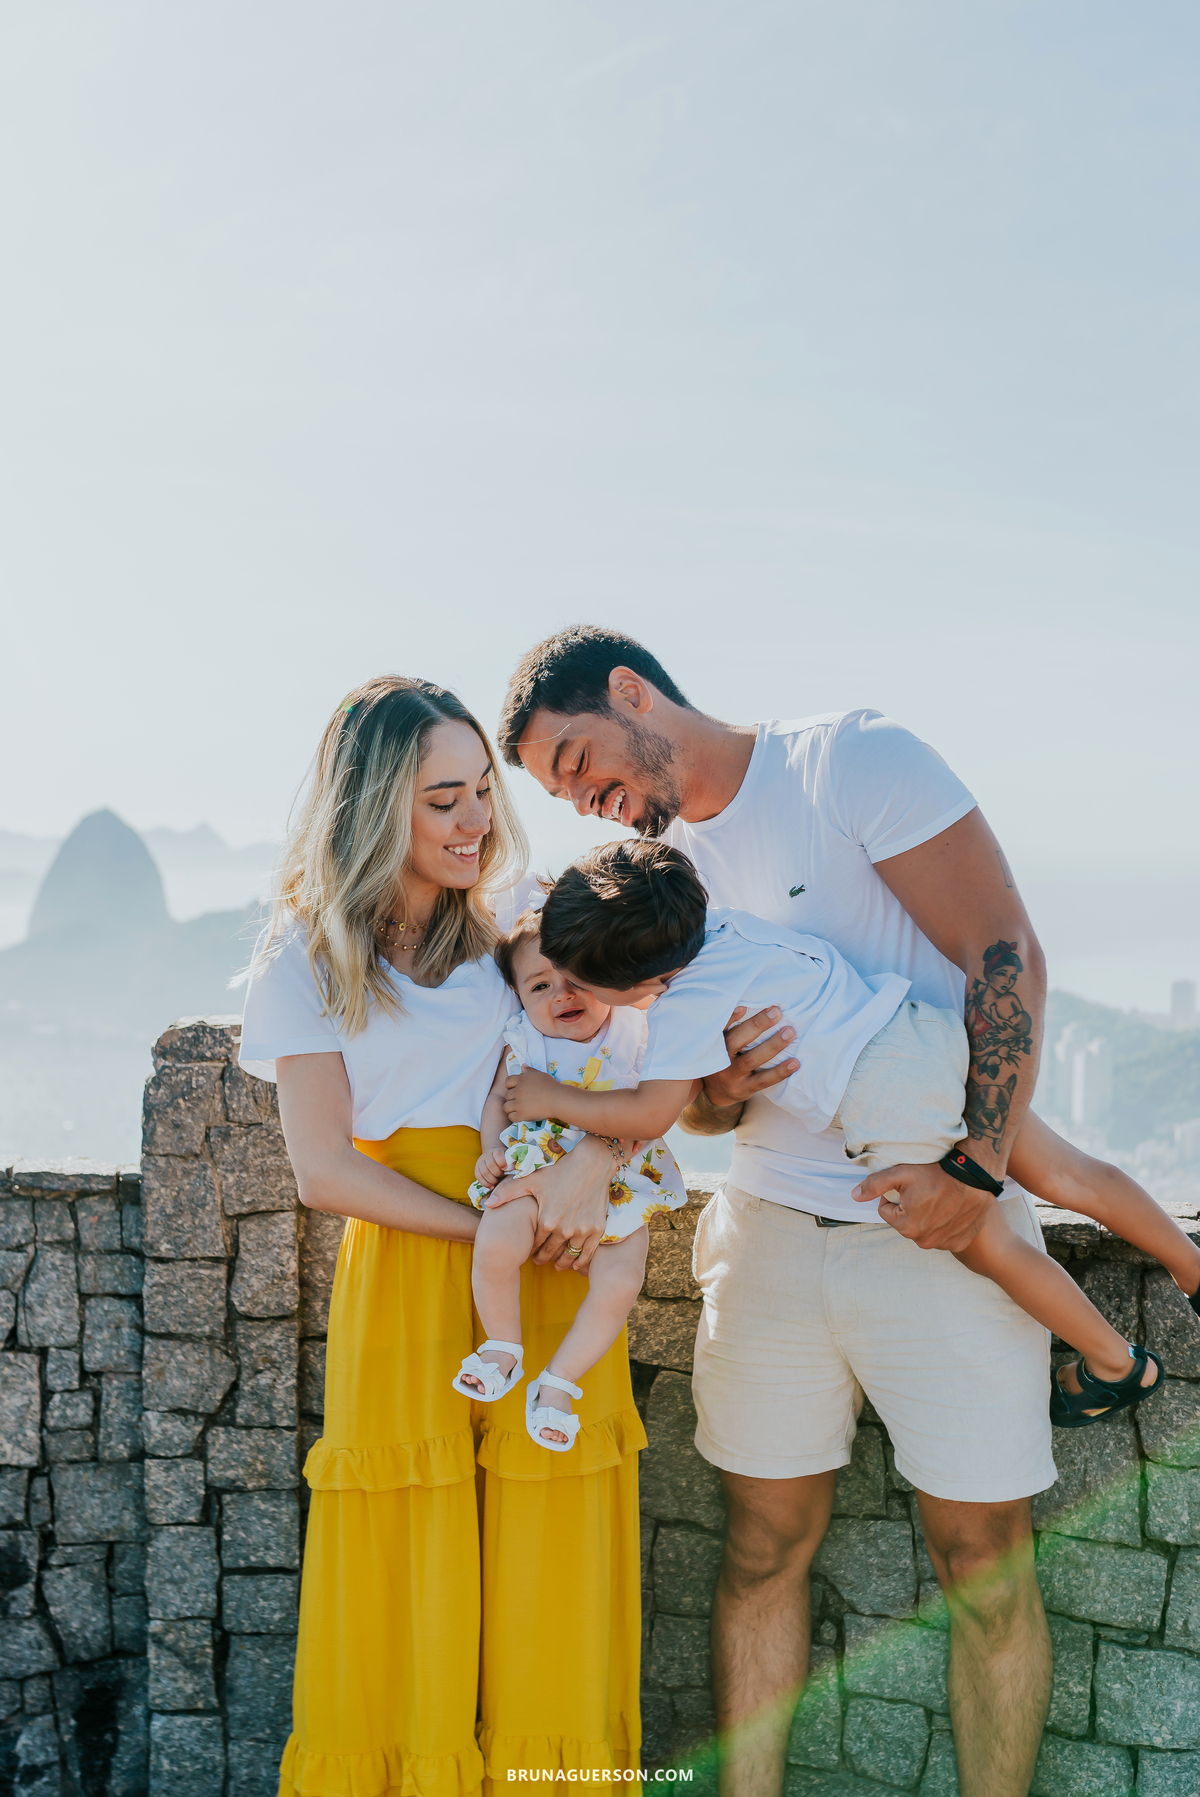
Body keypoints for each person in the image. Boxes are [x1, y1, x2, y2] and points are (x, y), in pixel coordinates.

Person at [495, 624, 1106, 1797]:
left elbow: (1003, 953)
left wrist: (975, 1174)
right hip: (767, 1240)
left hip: (936, 1230)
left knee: (984, 1561)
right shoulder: (642, 886)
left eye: (578, 762)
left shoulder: (849, 764)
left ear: (631, 692)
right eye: (563, 792)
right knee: (761, 1550)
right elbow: (694, 1108)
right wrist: (721, 1089)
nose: (587, 802)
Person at [239, 674, 646, 1794]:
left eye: (480, 793)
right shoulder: (308, 955)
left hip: (555, 1250)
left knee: (550, 1552)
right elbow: (323, 1172)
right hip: (421, 1259)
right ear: (376, 810)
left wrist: (591, 1170)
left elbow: (621, 1057)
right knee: (401, 1562)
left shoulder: (520, 925)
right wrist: (489, 1227)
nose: (476, 821)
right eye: (442, 801)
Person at [516, 838, 1198, 1429]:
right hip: (918, 1031)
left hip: (884, 1091)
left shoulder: (684, 998)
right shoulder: (732, 926)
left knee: (978, 1238)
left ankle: (1115, 1363)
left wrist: (553, 1094)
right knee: (1065, 1170)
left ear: (640, 979)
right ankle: (1192, 1267)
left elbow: (648, 1115)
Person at [454, 907, 688, 1448]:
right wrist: (491, 1150)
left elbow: (659, 1103)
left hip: (623, 1173)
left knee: (622, 1280)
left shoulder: (637, 1029)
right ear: (518, 997)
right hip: (534, 1165)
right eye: (540, 986)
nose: (562, 994)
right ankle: (503, 1347)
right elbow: (497, 1099)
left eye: (578, 978)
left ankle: (558, 1382)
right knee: (495, 1240)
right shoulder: (523, 1042)